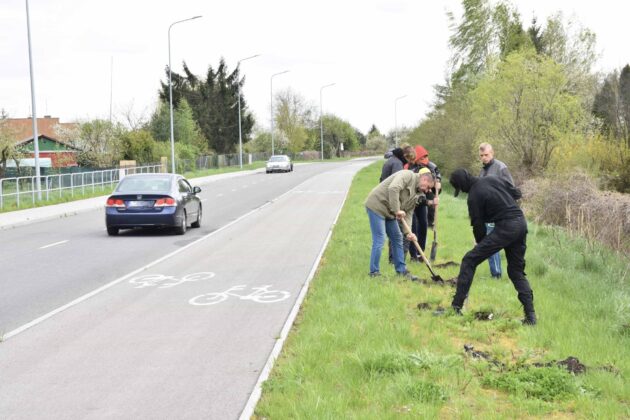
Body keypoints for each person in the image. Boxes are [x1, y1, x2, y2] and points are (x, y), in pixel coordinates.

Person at [449, 168, 536, 325]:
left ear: (462, 184)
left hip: (506, 226)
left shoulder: (474, 195)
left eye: (460, 189)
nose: (461, 191)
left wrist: (480, 243)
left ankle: (456, 307)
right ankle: (531, 317)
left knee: (469, 260)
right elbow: (516, 193)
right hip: (521, 223)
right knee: (515, 271)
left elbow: (478, 225)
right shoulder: (492, 179)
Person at [365, 169, 435, 280]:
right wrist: (397, 210)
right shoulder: (407, 175)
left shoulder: (418, 194)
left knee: (398, 237)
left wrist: (408, 233)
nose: (427, 190)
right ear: (424, 179)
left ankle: (401, 271)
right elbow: (393, 188)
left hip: (390, 212)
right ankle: (374, 272)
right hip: (377, 205)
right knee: (380, 238)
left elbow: (408, 214)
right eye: (428, 187)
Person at [479, 143, 514, 279]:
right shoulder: (482, 172)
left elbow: (511, 187)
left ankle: (498, 274)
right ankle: (496, 273)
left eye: (486, 155)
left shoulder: (501, 167)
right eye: (481, 156)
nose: (484, 158)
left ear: (492, 153)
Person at [406, 146, 441, 256]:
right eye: (422, 158)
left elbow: (436, 177)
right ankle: (413, 254)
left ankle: (421, 252)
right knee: (413, 227)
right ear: (417, 158)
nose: (425, 160)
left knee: (424, 224)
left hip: (424, 201)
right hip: (411, 201)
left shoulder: (432, 167)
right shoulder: (409, 168)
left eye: (426, 157)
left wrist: (438, 184)